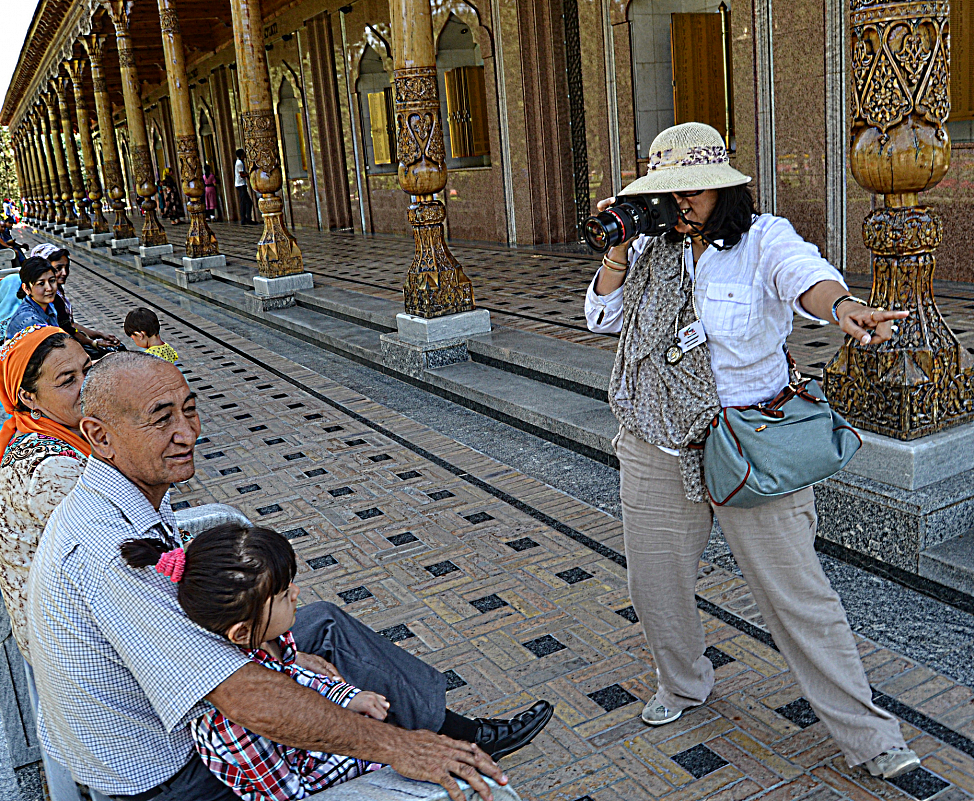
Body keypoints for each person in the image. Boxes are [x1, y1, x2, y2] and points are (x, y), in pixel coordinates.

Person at [27, 352, 552, 801]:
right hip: (171, 775)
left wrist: (296, 660)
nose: (187, 433)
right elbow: (241, 696)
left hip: (173, 722)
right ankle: (443, 742)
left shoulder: (123, 499)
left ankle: (451, 729)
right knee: (394, 761)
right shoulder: (104, 552)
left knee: (316, 624)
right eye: (161, 419)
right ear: (100, 436)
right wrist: (394, 748)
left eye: (190, 410)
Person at [585, 122, 917, 780]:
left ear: (723, 189)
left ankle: (871, 735)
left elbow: (806, 278)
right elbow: (603, 318)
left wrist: (844, 306)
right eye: (667, 192)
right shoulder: (652, 246)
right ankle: (682, 683)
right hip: (658, 437)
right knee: (654, 584)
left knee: (799, 597)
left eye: (693, 192)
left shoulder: (763, 240)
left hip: (749, 444)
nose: (680, 205)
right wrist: (618, 247)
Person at [122, 523, 393, 799]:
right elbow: (291, 794)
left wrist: (347, 698)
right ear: (241, 631)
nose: (296, 592)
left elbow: (301, 681)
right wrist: (366, 754)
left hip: (323, 752)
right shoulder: (231, 724)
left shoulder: (268, 642)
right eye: (283, 594)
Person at [0, 325, 90, 801]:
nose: (86, 387)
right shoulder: (48, 468)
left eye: (87, 370)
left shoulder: (59, 437)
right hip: (69, 639)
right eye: (66, 380)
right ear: (28, 398)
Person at [29, 244, 123, 358]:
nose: (64, 273)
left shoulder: (58, 292)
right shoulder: (46, 297)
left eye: (66, 268)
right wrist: (93, 343)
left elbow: (70, 324)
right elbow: (67, 330)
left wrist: (98, 334)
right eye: (58, 268)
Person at [5, 257, 60, 340]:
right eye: (41, 283)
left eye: (52, 281)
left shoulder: (49, 306)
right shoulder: (29, 320)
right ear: (26, 289)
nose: (49, 288)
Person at [234, 148, 254, 225]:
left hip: (241, 184)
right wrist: (249, 174)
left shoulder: (240, 162)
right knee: (248, 202)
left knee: (244, 202)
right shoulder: (239, 163)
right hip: (241, 184)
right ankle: (247, 219)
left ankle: (244, 219)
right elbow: (242, 175)